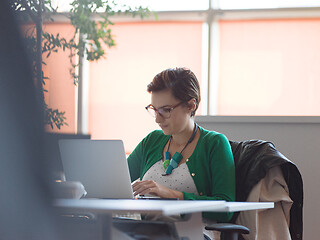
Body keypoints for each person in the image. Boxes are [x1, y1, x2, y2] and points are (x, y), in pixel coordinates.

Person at [127, 67, 236, 239]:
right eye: (154, 109)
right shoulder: (151, 141)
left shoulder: (214, 143)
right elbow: (116, 181)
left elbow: (226, 207)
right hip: (145, 231)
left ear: (191, 105)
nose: (157, 119)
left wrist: (172, 194)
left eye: (166, 110)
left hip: (192, 234)